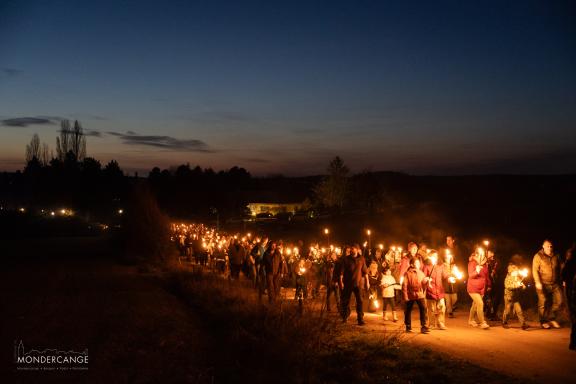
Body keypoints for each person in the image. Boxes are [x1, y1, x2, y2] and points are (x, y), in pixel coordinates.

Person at [532, 240, 562, 329]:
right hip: (542, 284)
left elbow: (561, 267)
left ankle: (552, 318)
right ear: (543, 246)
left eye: (551, 246)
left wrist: (563, 279)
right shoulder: (538, 256)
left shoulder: (556, 256)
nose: (550, 248)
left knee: (559, 301)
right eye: (548, 246)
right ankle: (543, 321)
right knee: (543, 302)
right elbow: (534, 270)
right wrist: (537, 282)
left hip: (555, 283)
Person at [339, 245, 368, 325]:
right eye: (351, 249)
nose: (351, 250)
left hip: (358, 284)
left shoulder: (361, 259)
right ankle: (345, 317)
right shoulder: (346, 259)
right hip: (348, 283)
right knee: (346, 301)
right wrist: (341, 282)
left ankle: (360, 319)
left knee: (360, 301)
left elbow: (365, 272)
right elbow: (342, 272)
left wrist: (367, 282)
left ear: (357, 250)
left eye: (353, 249)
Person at [424, 250, 450, 330]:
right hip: (430, 290)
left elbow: (445, 275)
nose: (435, 257)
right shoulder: (426, 266)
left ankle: (440, 323)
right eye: (433, 256)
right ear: (430, 257)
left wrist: (449, 278)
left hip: (440, 290)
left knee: (441, 308)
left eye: (436, 256)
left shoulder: (440, 266)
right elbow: (423, 276)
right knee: (431, 309)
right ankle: (431, 324)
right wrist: (426, 279)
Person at [402, 257, 430, 333]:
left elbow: (423, 283)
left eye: (419, 263)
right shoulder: (407, 273)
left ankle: (423, 326)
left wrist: (426, 281)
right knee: (408, 310)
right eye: (416, 263)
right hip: (410, 294)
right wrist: (405, 296)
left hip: (420, 294)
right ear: (411, 264)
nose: (418, 264)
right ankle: (408, 326)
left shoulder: (421, 273)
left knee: (423, 308)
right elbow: (404, 285)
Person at [467, 247, 491, 329]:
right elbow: (470, 275)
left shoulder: (485, 264)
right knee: (480, 304)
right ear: (476, 254)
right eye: (480, 253)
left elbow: (486, 276)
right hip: (473, 287)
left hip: (482, 288)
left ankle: (470, 320)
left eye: (483, 253)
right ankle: (482, 322)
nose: (482, 255)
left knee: (475, 305)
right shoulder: (472, 263)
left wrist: (489, 285)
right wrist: (476, 271)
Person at [502, 262, 528, 330]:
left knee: (519, 311)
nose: (517, 272)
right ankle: (504, 322)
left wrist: (523, 286)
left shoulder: (517, 278)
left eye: (517, 271)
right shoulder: (508, 278)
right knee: (507, 311)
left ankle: (523, 324)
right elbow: (508, 286)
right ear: (511, 271)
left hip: (515, 297)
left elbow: (521, 285)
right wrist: (517, 286)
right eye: (515, 271)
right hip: (508, 297)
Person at [561, 244, 576, 350]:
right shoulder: (571, 258)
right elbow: (564, 275)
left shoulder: (570, 258)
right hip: (573, 291)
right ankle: (573, 341)